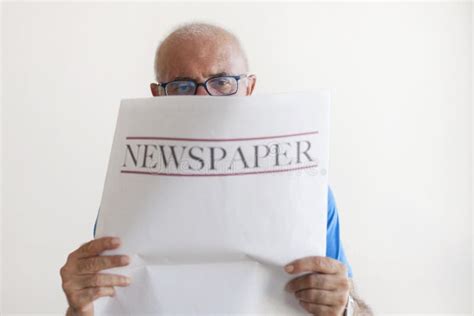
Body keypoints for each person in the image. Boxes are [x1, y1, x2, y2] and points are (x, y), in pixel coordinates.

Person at [60, 22, 373, 316]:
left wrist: (345, 307)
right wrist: (79, 308)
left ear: (248, 89)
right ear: (158, 96)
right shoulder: (129, 198)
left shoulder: (305, 194)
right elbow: (107, 303)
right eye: (183, 87)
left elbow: (356, 306)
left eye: (222, 82)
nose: (203, 100)